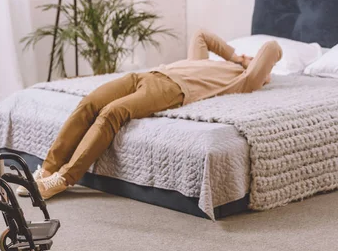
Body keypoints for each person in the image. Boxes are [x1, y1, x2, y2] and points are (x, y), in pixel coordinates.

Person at [22, 29, 283, 199]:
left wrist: (245, 65)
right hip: (146, 75)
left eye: (255, 59)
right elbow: (202, 36)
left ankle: (63, 179)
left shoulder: (244, 81)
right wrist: (236, 55)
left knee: (113, 112)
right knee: (88, 103)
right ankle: (47, 171)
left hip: (172, 89)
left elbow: (272, 47)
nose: (251, 57)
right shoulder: (209, 62)